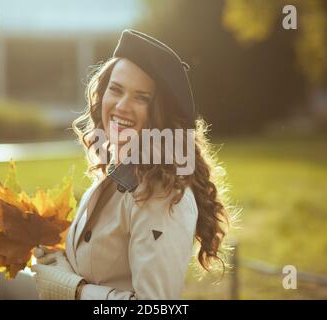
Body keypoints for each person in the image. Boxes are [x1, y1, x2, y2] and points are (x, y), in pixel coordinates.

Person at [31, 29, 229, 300]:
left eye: (141, 97)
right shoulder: (118, 172)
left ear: (161, 114)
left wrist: (73, 291)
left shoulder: (161, 193)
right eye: (116, 89)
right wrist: (60, 260)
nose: (122, 106)